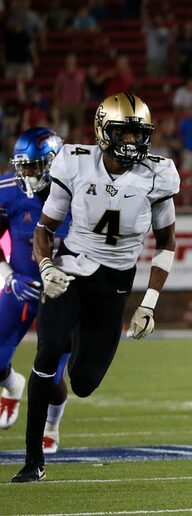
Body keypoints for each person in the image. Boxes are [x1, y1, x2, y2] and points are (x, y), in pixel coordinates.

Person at [11, 93, 180, 483]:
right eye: (123, 132)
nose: (132, 142)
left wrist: (148, 303)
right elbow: (45, 229)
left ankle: (74, 336)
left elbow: (167, 243)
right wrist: (47, 266)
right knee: (48, 351)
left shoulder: (158, 174)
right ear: (104, 131)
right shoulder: (74, 162)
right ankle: (33, 460)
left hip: (115, 284)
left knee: (85, 383)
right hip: (70, 270)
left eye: (138, 134)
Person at [0, 128, 71, 456]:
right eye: (22, 166)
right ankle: (12, 383)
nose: (26, 174)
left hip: (63, 291)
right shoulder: (8, 190)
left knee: (52, 376)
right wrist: (8, 275)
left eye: (35, 166)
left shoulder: (81, 192)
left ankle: (51, 425)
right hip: (22, 285)